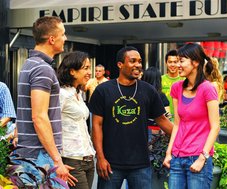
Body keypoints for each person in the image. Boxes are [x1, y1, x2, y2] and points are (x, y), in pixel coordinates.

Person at [89, 46, 174, 189]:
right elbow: (96, 125)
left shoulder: (148, 91)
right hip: (111, 163)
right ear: (120, 65)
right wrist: (100, 158)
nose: (138, 65)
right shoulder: (103, 90)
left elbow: (162, 121)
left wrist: (187, 138)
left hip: (140, 164)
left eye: (140, 61)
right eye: (132, 61)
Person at [16, 16, 77, 188]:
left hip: (35, 155)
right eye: (63, 34)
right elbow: (39, 117)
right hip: (41, 157)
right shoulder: (42, 69)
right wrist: (57, 161)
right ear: (51, 39)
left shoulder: (29, 64)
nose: (65, 38)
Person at [163, 43, 220, 189]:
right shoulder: (176, 88)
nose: (177, 65)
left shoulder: (207, 89)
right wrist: (169, 153)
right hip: (177, 158)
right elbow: (177, 123)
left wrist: (203, 158)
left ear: (195, 62)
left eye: (181, 61)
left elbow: (215, 127)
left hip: (198, 157)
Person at [57, 51, 96, 189]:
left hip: (88, 159)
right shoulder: (61, 94)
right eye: (85, 68)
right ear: (72, 71)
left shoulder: (78, 94)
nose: (89, 72)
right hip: (72, 159)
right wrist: (57, 162)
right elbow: (47, 123)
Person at [142, 67, 169, 139]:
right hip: (157, 132)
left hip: (141, 131)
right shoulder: (161, 96)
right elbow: (166, 116)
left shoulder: (139, 95)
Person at [161, 50, 184, 118]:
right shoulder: (160, 80)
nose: (173, 65)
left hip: (182, 120)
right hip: (165, 120)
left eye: (175, 62)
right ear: (166, 63)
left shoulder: (185, 80)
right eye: (170, 62)